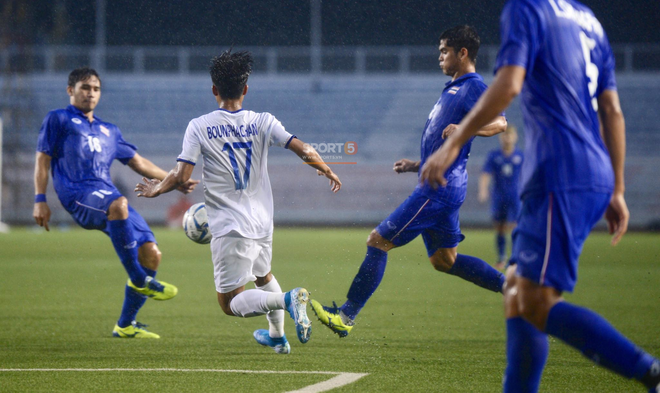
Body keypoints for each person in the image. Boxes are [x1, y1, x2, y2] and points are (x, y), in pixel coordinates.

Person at [419, 0, 660, 392]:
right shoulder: (591, 22)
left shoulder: (524, 9)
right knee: (517, 296)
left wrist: (453, 142)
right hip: (591, 171)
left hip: (559, 171)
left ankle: (648, 372)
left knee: (533, 301)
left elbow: (508, 84)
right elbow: (612, 109)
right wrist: (617, 187)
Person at [135, 50, 342, 354]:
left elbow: (181, 175)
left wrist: (156, 190)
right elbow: (302, 147)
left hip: (230, 226)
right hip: (262, 221)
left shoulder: (199, 126)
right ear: (246, 89)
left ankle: (288, 299)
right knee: (263, 275)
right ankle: (277, 337)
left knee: (230, 303)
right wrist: (325, 168)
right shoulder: (263, 121)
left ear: (214, 89)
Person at [310, 25, 507, 338]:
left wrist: (467, 129)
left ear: (463, 53)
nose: (440, 56)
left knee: (377, 241)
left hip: (438, 189)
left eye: (445, 51)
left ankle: (345, 315)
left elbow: (500, 123)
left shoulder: (474, 86)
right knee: (445, 260)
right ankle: (510, 287)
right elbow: (444, 144)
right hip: (441, 183)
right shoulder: (452, 88)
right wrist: (416, 165)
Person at [33, 67, 199, 339]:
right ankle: (137, 278)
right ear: (70, 90)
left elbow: (139, 162)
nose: (90, 93)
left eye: (95, 89)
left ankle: (125, 325)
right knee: (119, 204)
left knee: (152, 253)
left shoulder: (108, 130)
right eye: (85, 87)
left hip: (106, 195)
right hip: (77, 193)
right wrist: (40, 199)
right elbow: (42, 160)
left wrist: (175, 179)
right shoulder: (58, 119)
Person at [479, 125, 523, 269]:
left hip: (515, 197)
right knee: (500, 227)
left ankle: (515, 259)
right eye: (505, 135)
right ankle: (501, 258)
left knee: (514, 226)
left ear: (515, 137)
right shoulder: (494, 156)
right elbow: (486, 173)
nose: (507, 138)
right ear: (500, 137)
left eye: (510, 135)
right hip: (499, 197)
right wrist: (483, 190)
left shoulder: (521, 156)